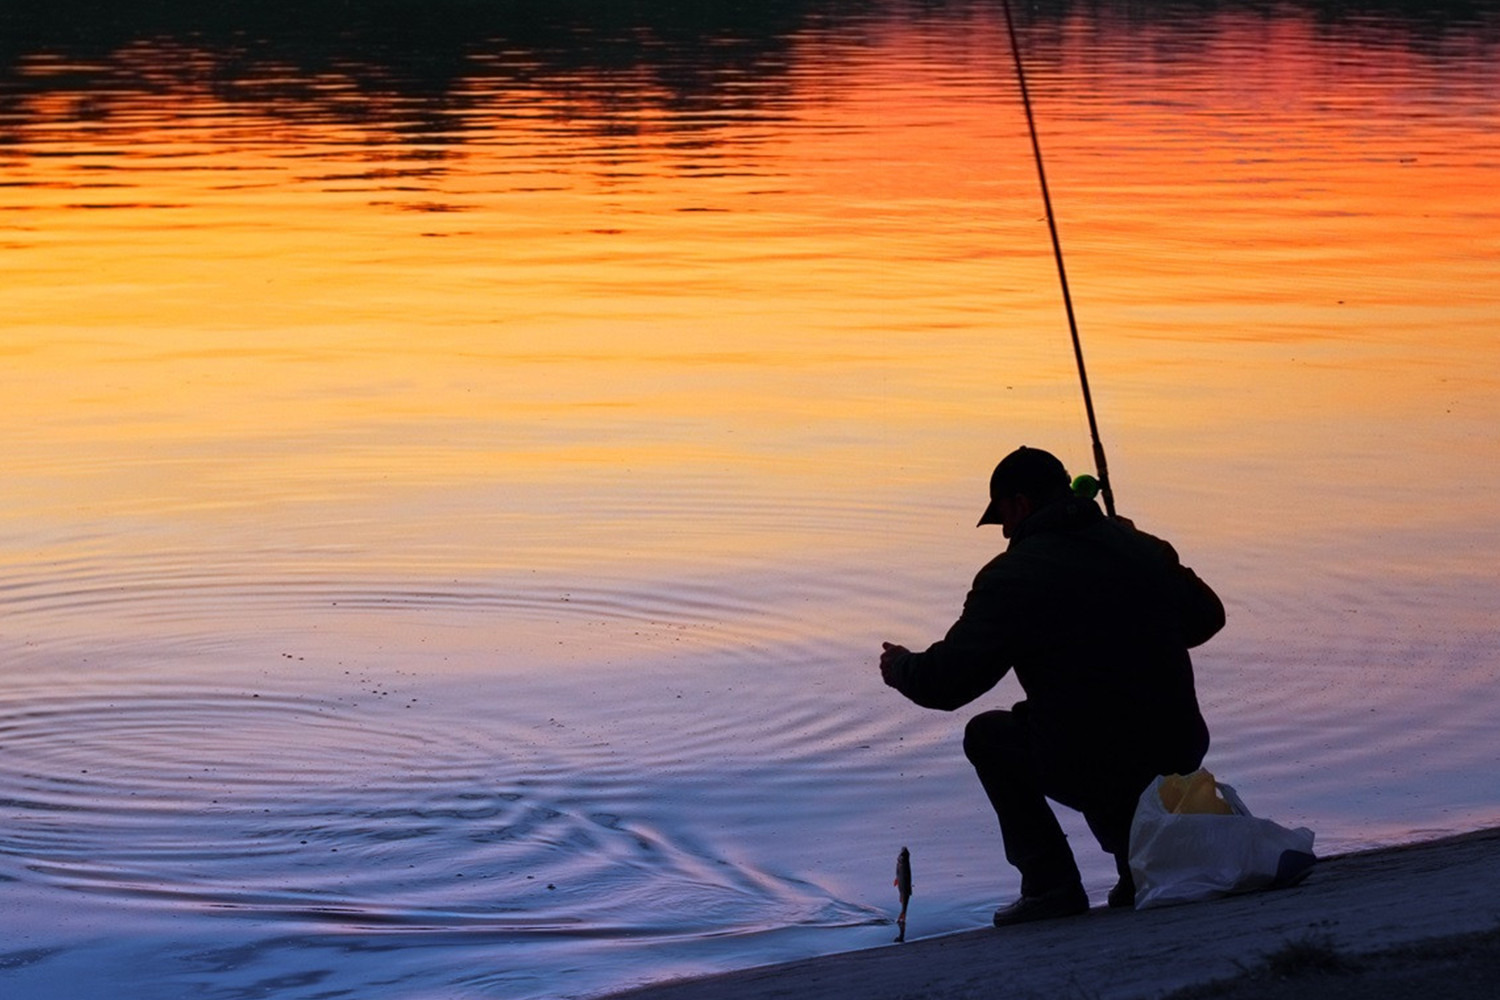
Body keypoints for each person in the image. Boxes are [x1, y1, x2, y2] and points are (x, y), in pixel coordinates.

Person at [879, 446, 1224, 926]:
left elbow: (949, 683)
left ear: (1019, 504)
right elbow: (1207, 620)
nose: (1003, 532)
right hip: (1178, 748)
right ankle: (1136, 869)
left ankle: (1049, 885)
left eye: (1002, 517)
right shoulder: (1141, 547)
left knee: (993, 735)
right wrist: (1148, 554)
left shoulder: (1014, 574)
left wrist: (901, 668)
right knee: (1091, 712)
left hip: (1100, 758)